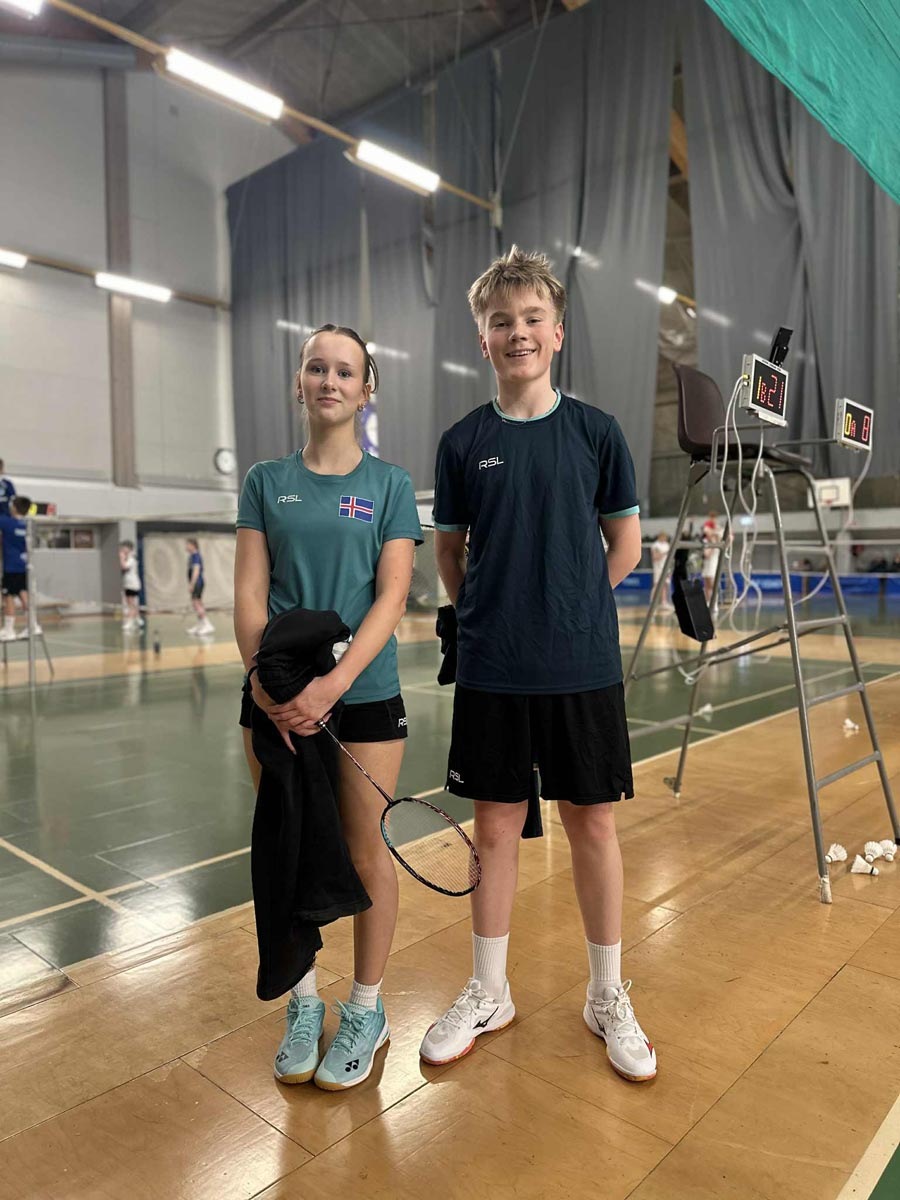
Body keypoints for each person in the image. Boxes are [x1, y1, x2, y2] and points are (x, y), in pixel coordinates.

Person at [421, 247, 656, 1083]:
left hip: (581, 663)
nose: (516, 332)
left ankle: (605, 994)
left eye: (531, 319)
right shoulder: (462, 442)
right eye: (501, 322)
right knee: (493, 828)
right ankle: (490, 991)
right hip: (493, 668)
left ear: (556, 334)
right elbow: (448, 553)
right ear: (482, 340)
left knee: (592, 823)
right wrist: (490, 613)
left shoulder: (597, 432)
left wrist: (570, 602)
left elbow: (625, 544)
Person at [234, 323, 423, 1091]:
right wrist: (266, 682)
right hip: (275, 698)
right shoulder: (264, 480)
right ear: (299, 382)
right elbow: (250, 591)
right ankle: (304, 1004)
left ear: (366, 388)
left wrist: (330, 687)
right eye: (317, 367)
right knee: (287, 847)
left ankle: (367, 1010)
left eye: (346, 371)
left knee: (367, 849)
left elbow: (392, 597)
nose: (330, 381)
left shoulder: (391, 485)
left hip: (362, 695)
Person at [0, 496, 41, 640]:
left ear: (14, 508)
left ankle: (9, 630)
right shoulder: (28, 524)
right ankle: (33, 625)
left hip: (11, 567)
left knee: (8, 596)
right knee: (23, 593)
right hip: (24, 565)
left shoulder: (7, 522)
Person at [186, 538, 214, 636]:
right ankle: (200, 625)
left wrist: (192, 584)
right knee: (198, 603)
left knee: (196, 603)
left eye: (188, 544)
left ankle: (207, 624)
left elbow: (196, 570)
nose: (186, 547)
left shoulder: (196, 556)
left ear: (193, 545)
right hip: (197, 583)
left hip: (197, 583)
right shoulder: (192, 556)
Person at [118, 540, 143, 632]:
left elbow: (124, 567)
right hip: (127, 583)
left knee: (131, 604)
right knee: (130, 603)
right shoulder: (127, 558)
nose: (122, 550)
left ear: (129, 549)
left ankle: (129, 622)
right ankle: (138, 618)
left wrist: (121, 558)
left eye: (124, 548)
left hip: (133, 584)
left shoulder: (132, 559)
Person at [701, 510, 722, 605]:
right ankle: (708, 602)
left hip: (713, 563)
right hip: (706, 563)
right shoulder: (706, 540)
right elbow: (706, 554)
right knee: (706, 583)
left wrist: (715, 540)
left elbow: (708, 554)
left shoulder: (716, 538)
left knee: (712, 583)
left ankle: (714, 602)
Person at [650, 530, 672, 611]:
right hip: (658, 568)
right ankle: (653, 601)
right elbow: (655, 557)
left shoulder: (667, 545)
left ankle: (664, 602)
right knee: (657, 585)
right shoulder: (655, 545)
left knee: (665, 585)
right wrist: (664, 553)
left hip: (666, 568)